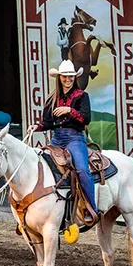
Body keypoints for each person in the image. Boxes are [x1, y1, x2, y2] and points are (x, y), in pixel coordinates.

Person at [26, 59, 99, 226]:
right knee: (42, 166)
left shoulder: (82, 96)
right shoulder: (52, 98)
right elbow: (47, 122)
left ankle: (91, 208)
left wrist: (70, 111)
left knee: (81, 169)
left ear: (74, 78)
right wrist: (36, 127)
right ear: (59, 78)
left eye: (70, 77)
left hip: (74, 137)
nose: (68, 80)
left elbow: (86, 118)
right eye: (64, 77)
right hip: (57, 137)